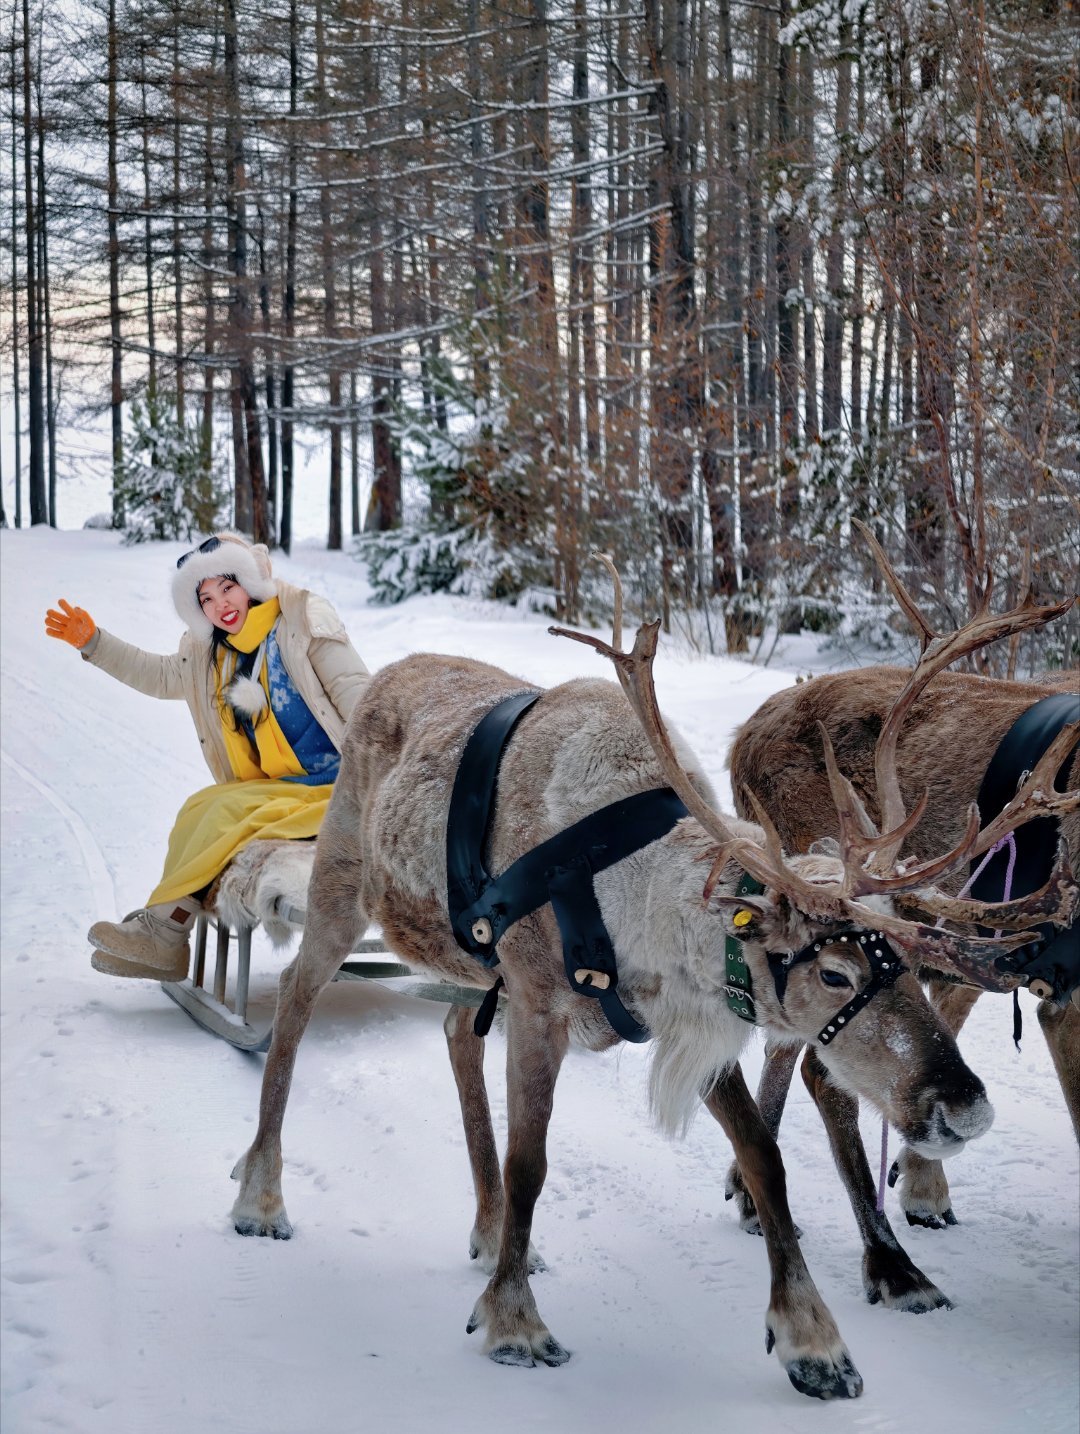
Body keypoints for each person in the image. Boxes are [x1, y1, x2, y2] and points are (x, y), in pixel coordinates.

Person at [44, 531, 370, 980]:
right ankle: (166, 931)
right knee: (201, 806)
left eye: (227, 587)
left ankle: (164, 931)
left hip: (341, 789)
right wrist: (94, 642)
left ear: (249, 583)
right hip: (286, 790)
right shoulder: (211, 653)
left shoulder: (301, 621)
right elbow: (160, 676)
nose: (221, 605)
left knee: (221, 811)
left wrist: (392, 780)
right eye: (206, 599)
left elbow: (359, 696)